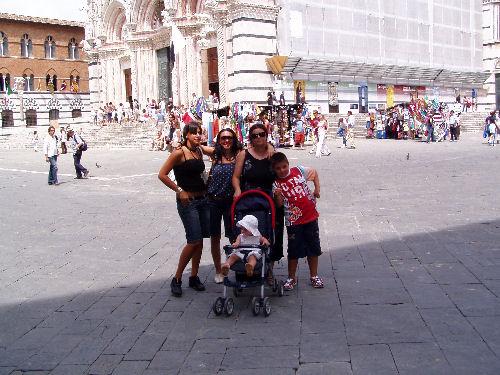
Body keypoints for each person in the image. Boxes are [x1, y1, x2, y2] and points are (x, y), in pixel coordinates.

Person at [158, 122, 211, 297]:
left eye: (200, 133)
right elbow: (162, 174)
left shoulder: (199, 151)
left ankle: (194, 276)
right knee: (193, 240)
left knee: (200, 240)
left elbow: (218, 151)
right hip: (188, 202)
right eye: (194, 133)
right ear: (186, 134)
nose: (197, 135)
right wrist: (179, 190)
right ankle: (178, 278)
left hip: (203, 199)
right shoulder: (179, 153)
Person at [232, 123, 284, 273]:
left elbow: (282, 170)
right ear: (251, 138)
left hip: (270, 199)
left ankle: (269, 270)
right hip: (248, 200)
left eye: (262, 134)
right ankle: (247, 263)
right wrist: (237, 190)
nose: (259, 137)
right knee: (247, 232)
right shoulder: (244, 154)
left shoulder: (272, 154)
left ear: (266, 135)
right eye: (255, 135)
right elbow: (236, 177)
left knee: (272, 231)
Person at [271, 152, 324, 290]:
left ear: (288, 164)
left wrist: (317, 189)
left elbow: (314, 173)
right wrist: (277, 196)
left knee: (313, 246)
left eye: (284, 166)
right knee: (293, 250)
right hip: (293, 221)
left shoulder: (298, 171)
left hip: (310, 216)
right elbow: (279, 205)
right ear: (274, 169)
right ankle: (291, 277)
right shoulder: (276, 183)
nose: (282, 170)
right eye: (278, 168)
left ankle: (314, 275)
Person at [208, 129, 243, 284]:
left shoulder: (240, 155)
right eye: (223, 138)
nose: (226, 141)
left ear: (234, 139)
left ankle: (234, 265)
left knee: (234, 235)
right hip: (213, 201)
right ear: (219, 140)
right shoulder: (215, 154)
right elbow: (198, 146)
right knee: (215, 237)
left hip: (231, 202)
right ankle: (218, 270)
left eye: (229, 138)